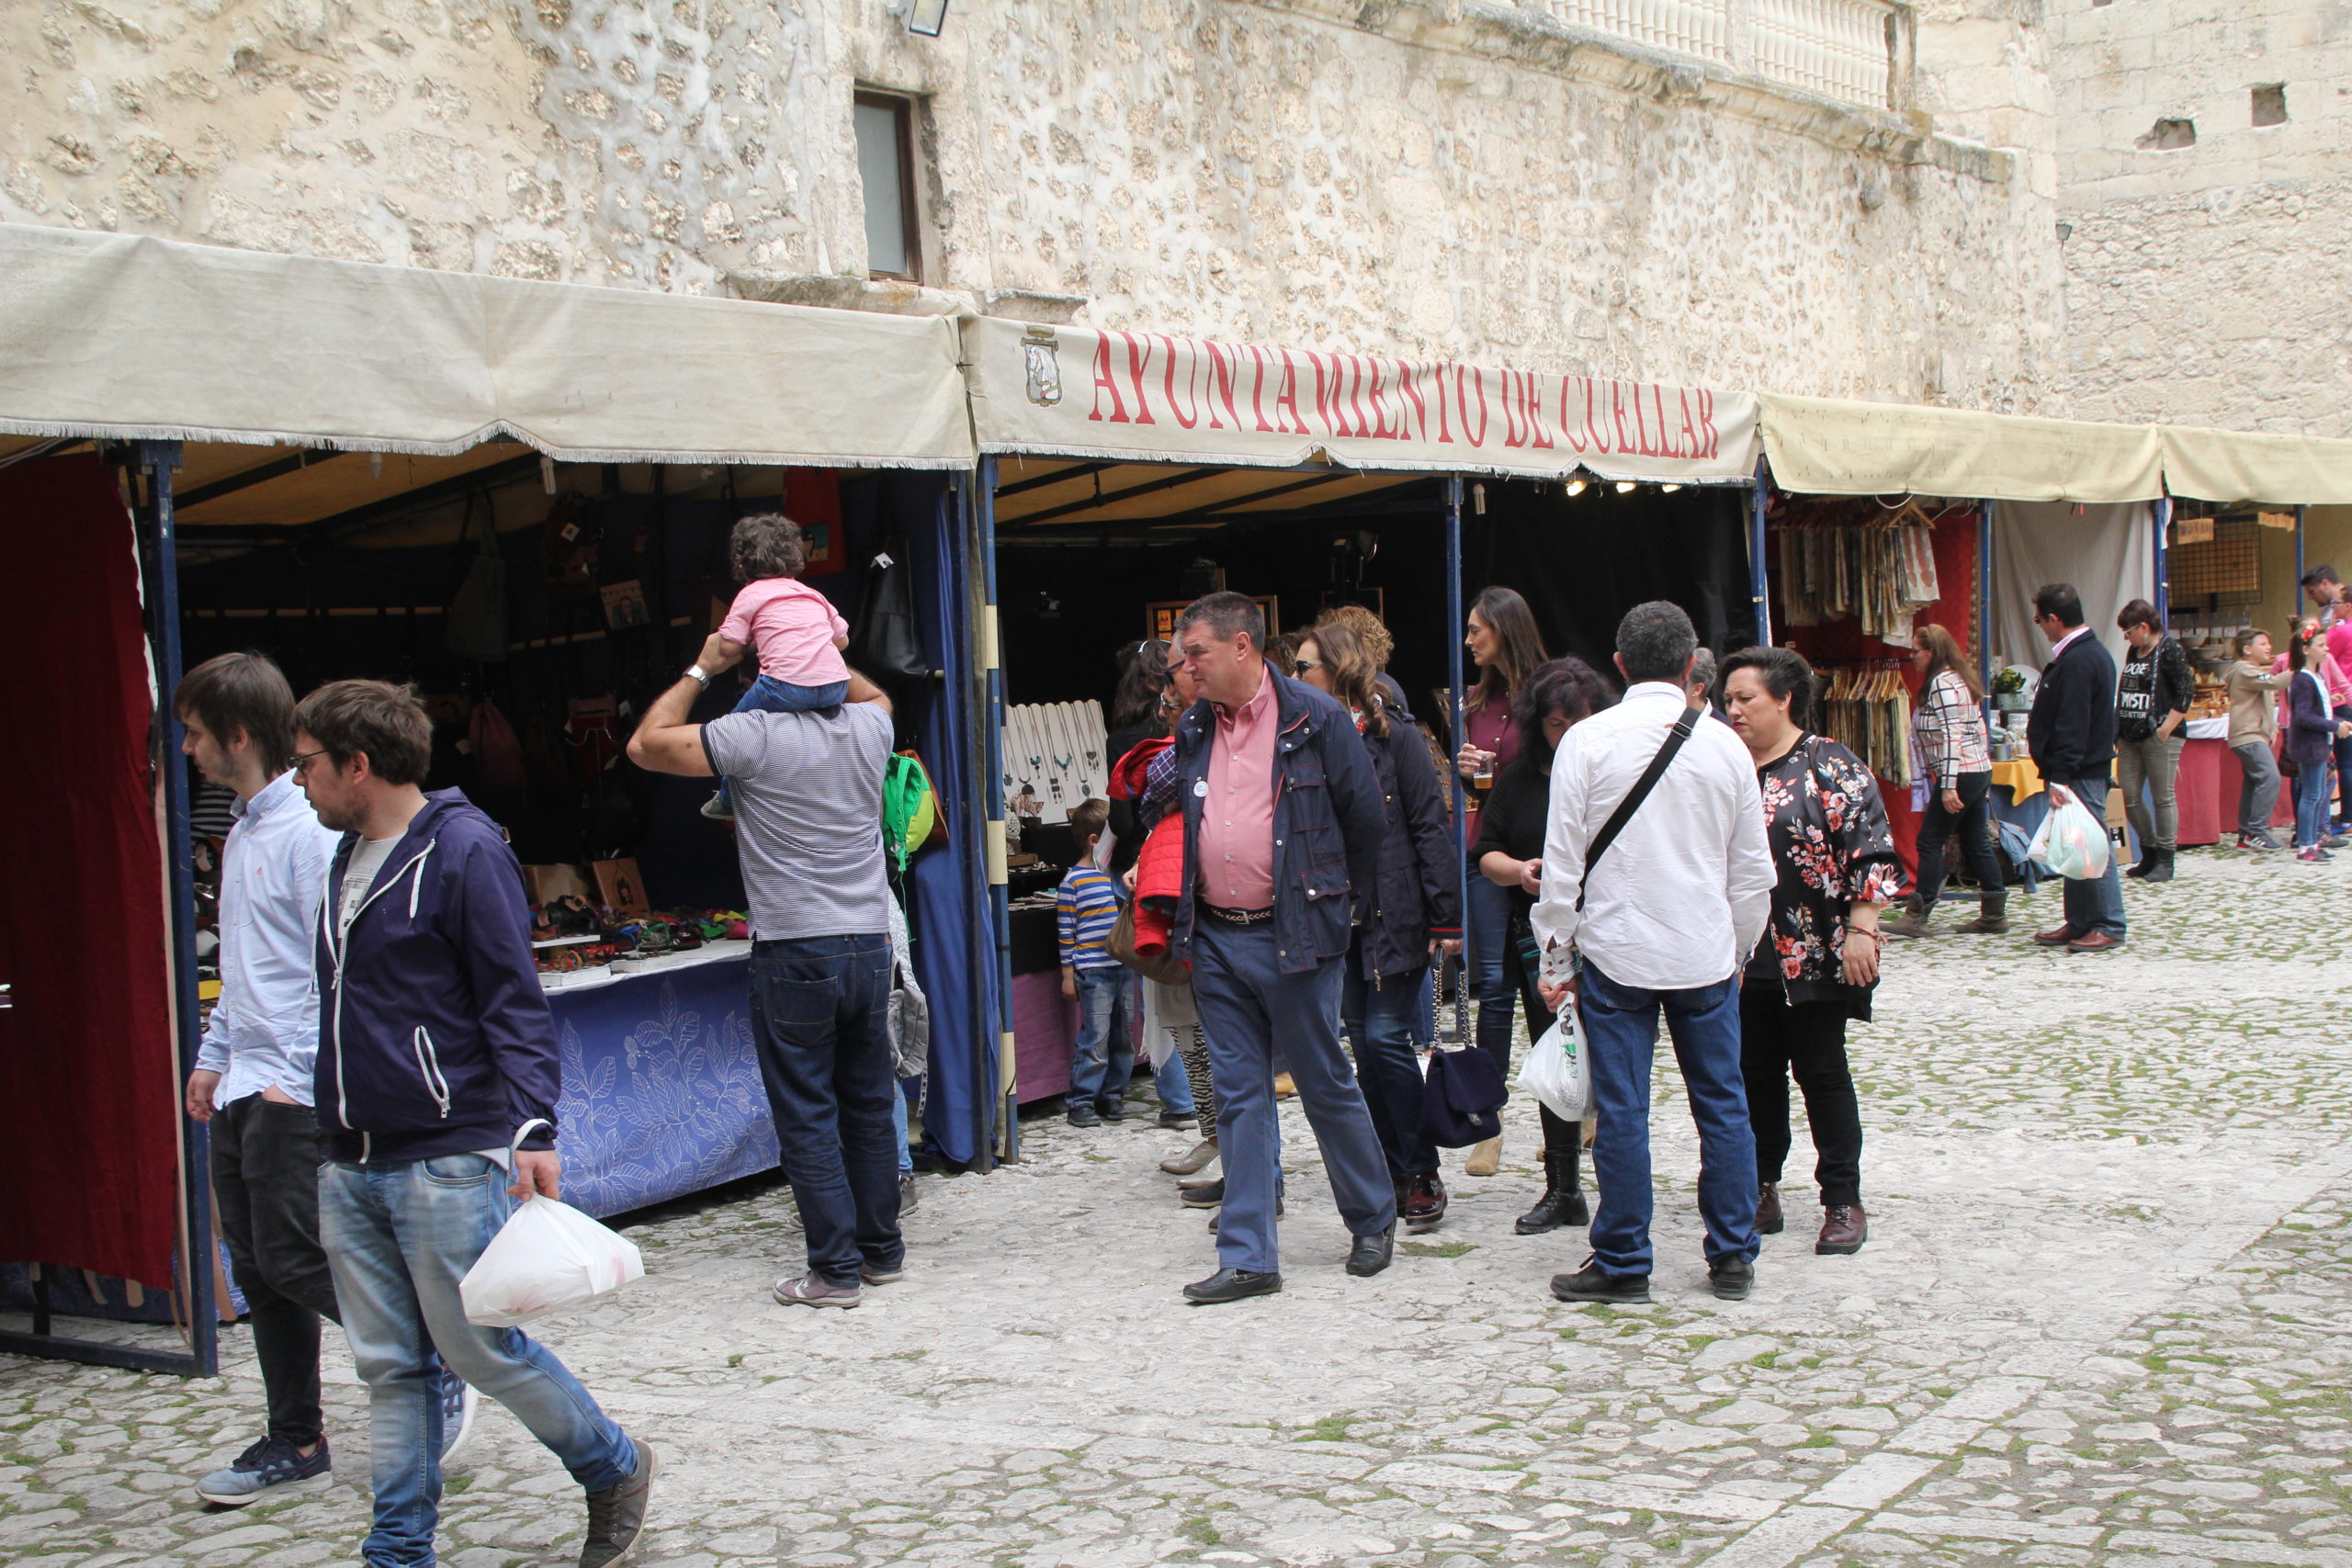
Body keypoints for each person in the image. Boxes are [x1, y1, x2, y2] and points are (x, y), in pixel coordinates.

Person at [293, 679, 652, 1568]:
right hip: (351, 1153)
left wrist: (533, 1128)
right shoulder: (346, 855)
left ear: (358, 765)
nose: (297, 781)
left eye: (306, 764)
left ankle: (610, 1462)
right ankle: (399, 1549)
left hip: (444, 1154)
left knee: (481, 1351)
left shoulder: (463, 850)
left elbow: (512, 997)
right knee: (390, 1368)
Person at [626, 636, 902, 1308]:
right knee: (867, 1103)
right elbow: (877, 694)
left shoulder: (750, 733)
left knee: (808, 1112)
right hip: (868, 938)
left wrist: (702, 667)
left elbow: (645, 744)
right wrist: (828, 651)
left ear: (760, 677)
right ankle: (880, 1252)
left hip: (795, 945)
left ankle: (834, 1271)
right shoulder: (869, 724)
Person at [1532, 602, 1775, 1304]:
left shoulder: (1586, 741)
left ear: (1619, 664)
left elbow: (1561, 868)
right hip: (1703, 949)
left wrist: (1556, 959)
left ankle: (1624, 1257)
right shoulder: (1726, 745)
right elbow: (1752, 871)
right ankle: (1732, 1254)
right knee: (1724, 1105)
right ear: (1693, 665)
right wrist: (1739, 947)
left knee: (1623, 1108)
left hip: (1618, 950)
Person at [1165, 592, 1396, 1303]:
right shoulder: (1196, 724)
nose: (1186, 666)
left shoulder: (1315, 715)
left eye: (1197, 652)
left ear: (1242, 647)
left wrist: (1330, 907)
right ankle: (1249, 1255)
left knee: (1324, 1079)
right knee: (1238, 1096)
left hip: (1295, 933)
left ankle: (1371, 1217)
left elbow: (1364, 822)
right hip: (1217, 936)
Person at [174, 654, 356, 1506]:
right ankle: (296, 1435)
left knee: (290, 1255)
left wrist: (293, 1075)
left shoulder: (307, 836)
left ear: (238, 735)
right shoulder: (246, 829)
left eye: (198, 733)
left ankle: (432, 1356)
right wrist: (214, 1057)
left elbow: (334, 972)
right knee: (255, 1262)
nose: (189, 749)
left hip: (289, 1083)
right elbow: (252, 970)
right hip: (247, 1078)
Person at [1720, 648, 1901, 1257]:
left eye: (1746, 698)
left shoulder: (1827, 763)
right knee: (1753, 1074)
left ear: (1784, 698)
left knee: (1821, 1071)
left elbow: (1872, 848)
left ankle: (1842, 1198)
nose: (1735, 710)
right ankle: (1761, 1186)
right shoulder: (1725, 768)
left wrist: (1863, 927)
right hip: (1742, 958)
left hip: (1816, 950)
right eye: (1728, 700)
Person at [1295, 621, 1460, 1229]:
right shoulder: (1308, 739)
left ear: (1335, 670)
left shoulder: (1397, 735)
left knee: (1388, 1040)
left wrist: (1447, 916)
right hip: (1342, 916)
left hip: (1397, 911)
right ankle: (1391, 1169)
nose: (1294, 677)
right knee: (1364, 1046)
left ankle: (1420, 1168)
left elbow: (1428, 825)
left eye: (1305, 667)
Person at [1470, 656, 1618, 1234]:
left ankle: (1621, 1186)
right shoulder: (1524, 778)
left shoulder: (1619, 772)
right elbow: (1486, 852)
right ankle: (1563, 1188)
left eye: (1577, 720)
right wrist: (1521, 872)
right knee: (1555, 1057)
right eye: (1556, 723)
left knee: (1615, 1063)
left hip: (1613, 940)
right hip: (1543, 942)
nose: (1567, 733)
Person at [1453, 585, 1549, 1178]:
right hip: (1487, 855)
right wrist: (1468, 776)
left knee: (1549, 985)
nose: (1468, 641)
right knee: (1493, 984)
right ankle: (1489, 1122)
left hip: (1540, 857)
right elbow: (1477, 796)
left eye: (1476, 630)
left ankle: (1566, 1106)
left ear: (1505, 629)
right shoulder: (1472, 701)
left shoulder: (1548, 697)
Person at [702, 513, 852, 820]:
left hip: (786, 685)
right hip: (836, 686)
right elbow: (842, 642)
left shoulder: (750, 595)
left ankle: (729, 800)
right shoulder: (811, 594)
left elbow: (729, 647)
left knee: (735, 731)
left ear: (742, 563)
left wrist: (749, 639)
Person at [1885, 625, 2007, 937]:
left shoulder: (1943, 683)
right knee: (1976, 839)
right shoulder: (1957, 679)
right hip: (1974, 769)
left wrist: (1950, 784)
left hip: (1963, 772)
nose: (1912, 656)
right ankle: (1994, 915)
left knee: (1929, 840)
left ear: (1932, 652)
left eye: (1916, 651)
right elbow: (1978, 729)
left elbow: (1953, 736)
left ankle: (1916, 915)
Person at [2023, 583, 2125, 953]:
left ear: (2053, 619)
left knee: (2093, 844)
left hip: (2080, 770)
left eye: (2039, 619)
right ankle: (2081, 919)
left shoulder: (2081, 659)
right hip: (2076, 767)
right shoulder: (2081, 655)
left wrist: (2061, 775)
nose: (2040, 626)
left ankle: (2109, 922)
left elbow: (2073, 723)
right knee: (2075, 842)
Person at [1056, 798, 1136, 1126]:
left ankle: (1113, 1096)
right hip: (1093, 970)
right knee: (1096, 1038)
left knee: (1123, 1037)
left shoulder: (1119, 876)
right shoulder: (1073, 882)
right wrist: (1067, 975)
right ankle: (1081, 1100)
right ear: (1095, 840)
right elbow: (1066, 931)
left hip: (1125, 969)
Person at [2110, 599, 2193, 882]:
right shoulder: (2135, 651)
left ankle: (2166, 857)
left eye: (2128, 631)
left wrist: (2166, 728)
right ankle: (2149, 849)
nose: (2126, 637)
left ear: (2144, 627)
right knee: (2129, 794)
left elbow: (2185, 692)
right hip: (2130, 734)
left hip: (2160, 735)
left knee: (2162, 796)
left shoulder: (2169, 650)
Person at [2286, 621, 2352, 863]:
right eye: (2321, 645)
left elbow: (2320, 712)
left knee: (2318, 795)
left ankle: (2312, 841)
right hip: (2309, 745)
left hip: (2321, 743)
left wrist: (2338, 722)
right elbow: (2302, 716)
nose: (2326, 650)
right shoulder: (2302, 678)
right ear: (2305, 649)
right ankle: (2305, 846)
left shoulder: (2318, 676)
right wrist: (2335, 726)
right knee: (2312, 795)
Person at [2224, 627, 2291, 852]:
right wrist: (2299, 666)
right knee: (2270, 778)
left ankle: (2245, 834)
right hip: (2247, 735)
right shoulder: (2245, 670)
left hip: (2253, 735)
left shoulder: (2252, 670)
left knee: (2253, 783)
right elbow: (2274, 683)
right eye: (2263, 643)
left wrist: (2270, 728)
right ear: (2247, 649)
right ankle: (2257, 831)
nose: (2269, 647)